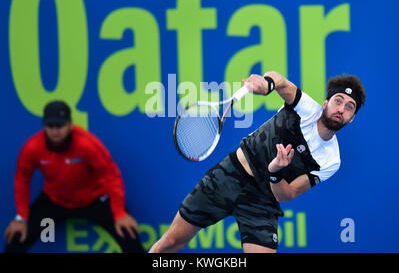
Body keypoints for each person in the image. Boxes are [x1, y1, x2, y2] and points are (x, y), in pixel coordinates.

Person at [149, 71, 366, 253]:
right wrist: (267, 84)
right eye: (338, 101)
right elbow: (280, 81)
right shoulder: (306, 108)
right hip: (229, 175)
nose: (341, 109)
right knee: (170, 243)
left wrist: (276, 171)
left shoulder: (330, 160)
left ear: (352, 117)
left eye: (349, 107)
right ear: (326, 103)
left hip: (262, 200)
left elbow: (287, 194)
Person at [4, 100, 144, 253]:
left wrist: (119, 213)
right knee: (17, 237)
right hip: (54, 203)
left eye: (60, 126)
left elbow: (111, 176)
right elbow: (22, 180)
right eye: (51, 126)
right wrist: (21, 218)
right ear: (44, 126)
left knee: (128, 234)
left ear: (70, 124)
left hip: (95, 201)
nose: (55, 131)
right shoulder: (33, 147)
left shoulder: (87, 144)